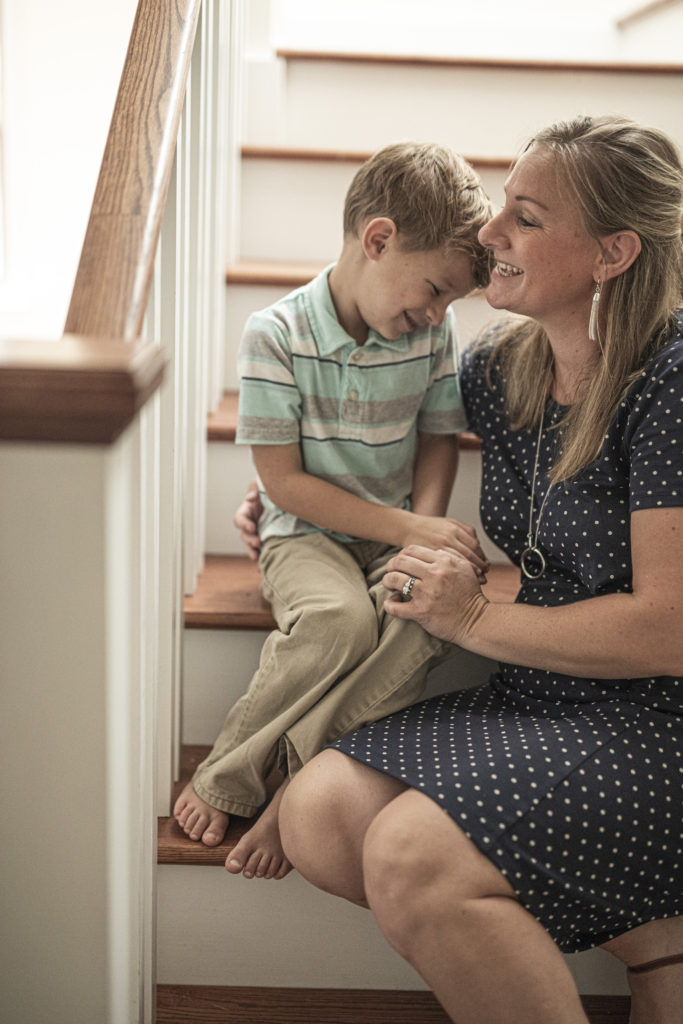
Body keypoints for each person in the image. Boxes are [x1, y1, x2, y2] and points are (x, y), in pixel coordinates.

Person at [278, 115, 683, 1024]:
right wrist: (290, 507)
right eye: (501, 205)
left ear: (612, 252)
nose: (487, 235)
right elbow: (363, 446)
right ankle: (652, 932)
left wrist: (468, 622)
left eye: (524, 218)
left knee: (412, 859)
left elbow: (670, 628)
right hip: (544, 685)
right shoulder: (496, 372)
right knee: (320, 818)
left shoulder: (671, 380)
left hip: (659, 714)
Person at [173, 142, 494, 878]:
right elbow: (282, 485)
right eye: (433, 289)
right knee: (338, 622)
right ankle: (228, 772)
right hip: (304, 534)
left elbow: (439, 438)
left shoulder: (428, 333)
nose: (436, 314)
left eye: (449, 303)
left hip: (390, 530)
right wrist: (414, 528)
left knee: (423, 622)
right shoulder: (275, 335)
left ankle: (299, 780)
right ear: (377, 240)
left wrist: (428, 541)